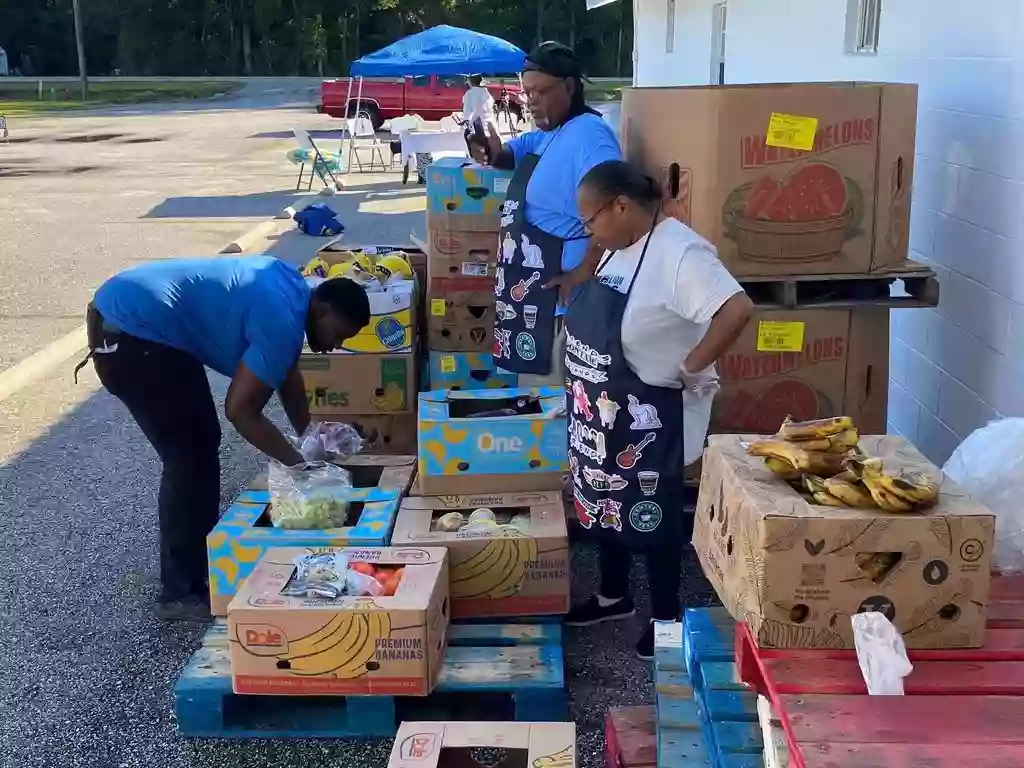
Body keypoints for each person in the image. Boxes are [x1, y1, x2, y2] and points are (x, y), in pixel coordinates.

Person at [79, 257, 370, 620]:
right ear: (323, 309)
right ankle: (179, 592)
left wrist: (309, 434)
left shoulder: (292, 289)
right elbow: (241, 412)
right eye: (338, 335)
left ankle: (199, 570)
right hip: (130, 333)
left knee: (201, 443)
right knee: (188, 454)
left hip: (142, 320)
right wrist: (301, 467)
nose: (335, 347)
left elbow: (285, 370)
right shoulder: (282, 322)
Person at [561, 160, 755, 660]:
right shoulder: (619, 247)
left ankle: (666, 618)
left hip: (652, 416)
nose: (589, 232)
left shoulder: (680, 253)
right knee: (604, 500)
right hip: (603, 411)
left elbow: (736, 309)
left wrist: (694, 365)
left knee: (653, 516)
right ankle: (612, 595)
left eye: (590, 221)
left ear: (621, 206)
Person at [471, 41, 621, 387]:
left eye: (540, 91)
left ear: (569, 86)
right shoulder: (551, 133)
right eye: (526, 92)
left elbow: (614, 204)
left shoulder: (590, 136)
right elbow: (512, 154)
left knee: (554, 412)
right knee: (535, 406)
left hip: (562, 310)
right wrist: (492, 149)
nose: (531, 100)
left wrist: (583, 271)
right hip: (532, 299)